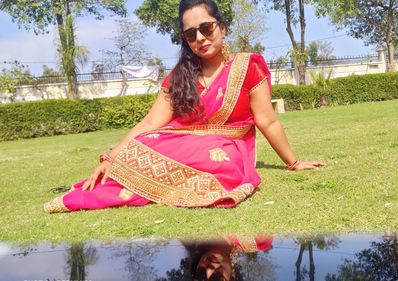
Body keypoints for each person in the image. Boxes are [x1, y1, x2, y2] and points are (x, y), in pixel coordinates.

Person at [43, 0, 322, 213]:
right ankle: (113, 182)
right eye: (191, 34)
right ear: (185, 40)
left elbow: (267, 120)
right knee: (145, 142)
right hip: (177, 144)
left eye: (206, 28)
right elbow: (150, 123)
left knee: (228, 163)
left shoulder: (249, 66)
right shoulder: (180, 76)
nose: (200, 38)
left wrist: (293, 162)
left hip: (226, 148)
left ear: (222, 28)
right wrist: (111, 158)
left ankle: (136, 182)